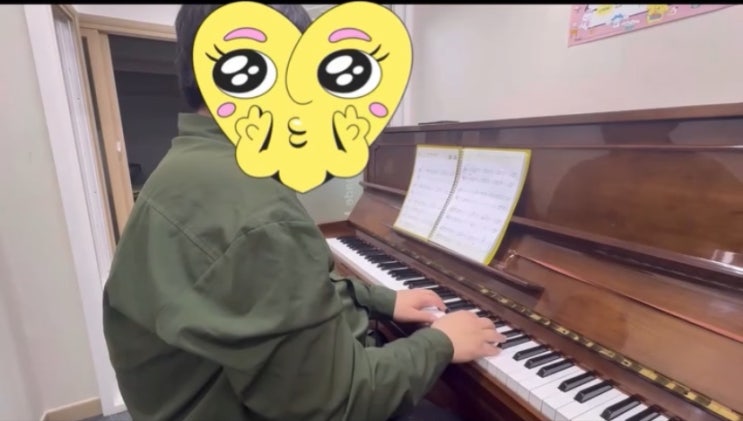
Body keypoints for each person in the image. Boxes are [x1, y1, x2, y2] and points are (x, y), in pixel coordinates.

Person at [102, 4, 504, 421]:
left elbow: (279, 296)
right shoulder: (257, 212)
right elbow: (339, 403)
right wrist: (440, 343)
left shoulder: (195, 164)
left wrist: (380, 299)